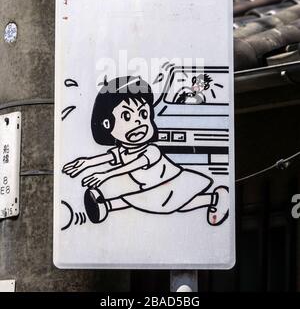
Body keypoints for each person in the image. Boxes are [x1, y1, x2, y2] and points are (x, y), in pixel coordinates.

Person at [63, 76, 229, 226]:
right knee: (138, 198)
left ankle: (215, 198)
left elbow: (134, 165)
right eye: (127, 117)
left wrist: (106, 175)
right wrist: (86, 163)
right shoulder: (123, 150)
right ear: (107, 125)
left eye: (143, 114)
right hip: (150, 188)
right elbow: (108, 156)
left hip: (171, 185)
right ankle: (105, 206)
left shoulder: (151, 151)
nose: (138, 122)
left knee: (175, 204)